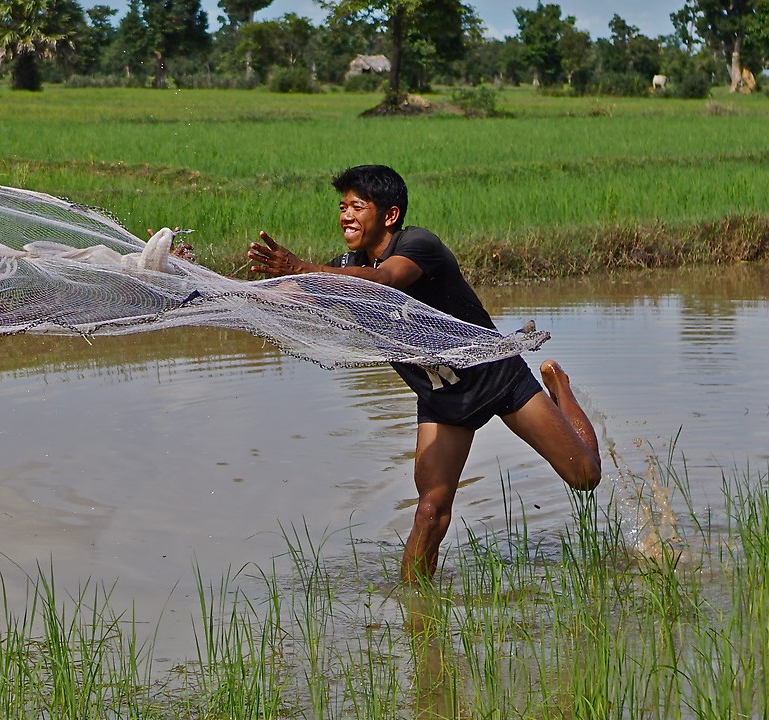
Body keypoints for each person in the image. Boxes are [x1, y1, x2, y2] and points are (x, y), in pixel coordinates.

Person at [246, 163, 605, 580]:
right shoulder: (344, 266)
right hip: (441, 397)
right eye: (342, 206)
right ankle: (417, 612)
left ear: (389, 215)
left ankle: (559, 388)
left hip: (495, 377)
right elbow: (283, 295)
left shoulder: (418, 244)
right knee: (431, 510)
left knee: (585, 476)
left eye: (357, 206)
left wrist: (304, 268)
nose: (345, 215)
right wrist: (190, 280)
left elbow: (385, 280)